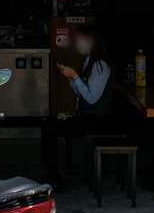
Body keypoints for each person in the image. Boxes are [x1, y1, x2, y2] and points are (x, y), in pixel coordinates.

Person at [42, 23, 116, 188]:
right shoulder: (89, 61)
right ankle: (51, 171)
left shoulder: (100, 65)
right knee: (49, 124)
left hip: (98, 119)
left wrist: (75, 76)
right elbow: (82, 93)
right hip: (89, 115)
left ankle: (53, 177)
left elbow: (91, 99)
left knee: (49, 127)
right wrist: (71, 79)